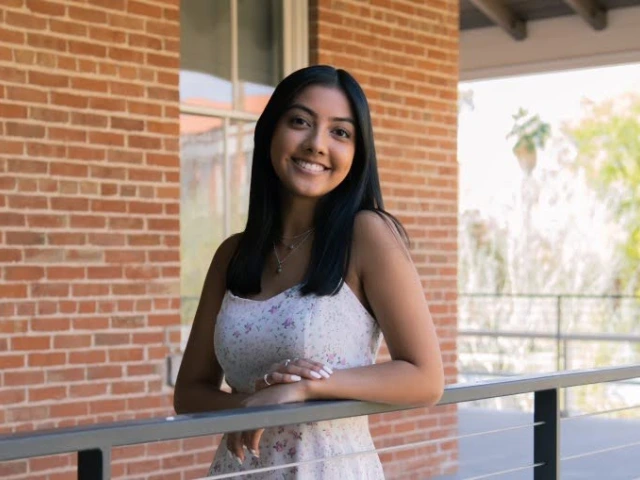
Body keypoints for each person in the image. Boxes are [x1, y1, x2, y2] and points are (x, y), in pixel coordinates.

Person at [173, 65, 444, 479]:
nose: (317, 144)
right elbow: (190, 392)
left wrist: (306, 386)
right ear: (271, 133)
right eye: (300, 122)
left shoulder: (366, 235)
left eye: (340, 132)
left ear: (357, 152)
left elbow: (425, 378)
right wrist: (249, 407)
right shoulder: (232, 254)